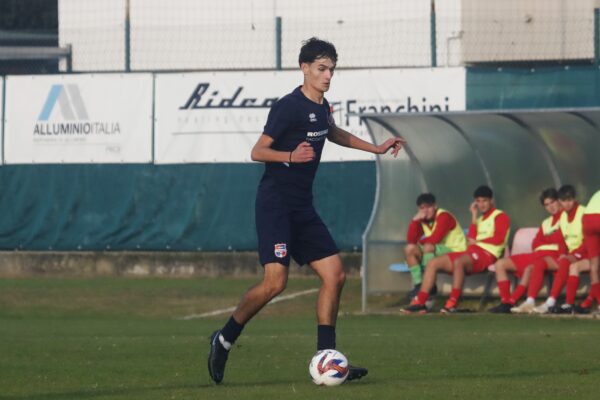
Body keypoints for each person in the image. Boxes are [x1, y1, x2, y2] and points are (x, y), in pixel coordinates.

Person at [207, 37, 405, 384]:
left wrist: (375, 147)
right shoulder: (288, 106)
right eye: (321, 69)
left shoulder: (322, 106)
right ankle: (224, 338)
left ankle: (326, 357)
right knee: (275, 282)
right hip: (275, 206)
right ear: (304, 68)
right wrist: (289, 156)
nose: (328, 75)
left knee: (335, 275)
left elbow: (332, 132)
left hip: (302, 207)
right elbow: (258, 151)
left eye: (331, 69)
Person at [401, 185, 510, 314]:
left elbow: (499, 239)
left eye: (484, 200)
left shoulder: (500, 216)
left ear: (491, 201)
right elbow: (471, 238)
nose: (481, 204)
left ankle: (452, 303)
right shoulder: (479, 220)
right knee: (432, 263)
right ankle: (421, 301)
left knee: (459, 260)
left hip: (487, 254)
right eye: (478, 201)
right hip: (471, 252)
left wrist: (478, 242)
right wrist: (474, 215)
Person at [488, 188, 565, 313]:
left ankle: (512, 302)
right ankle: (505, 301)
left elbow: (561, 238)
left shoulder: (566, 218)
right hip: (537, 254)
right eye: (547, 205)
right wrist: (549, 239)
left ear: (559, 201)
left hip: (554, 255)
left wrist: (546, 239)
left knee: (531, 267)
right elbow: (535, 242)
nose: (550, 207)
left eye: (552, 202)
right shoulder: (546, 222)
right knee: (500, 264)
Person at [530, 185, 587, 314]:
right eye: (563, 200)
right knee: (556, 261)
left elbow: (589, 240)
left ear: (574, 199)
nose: (566, 204)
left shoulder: (583, 212)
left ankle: (551, 301)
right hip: (571, 254)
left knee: (565, 262)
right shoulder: (562, 217)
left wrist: (574, 254)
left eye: (569, 200)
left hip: (586, 252)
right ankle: (529, 301)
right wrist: (562, 253)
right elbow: (561, 240)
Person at [404, 193, 467, 298]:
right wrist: (414, 221)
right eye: (422, 208)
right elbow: (411, 240)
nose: (425, 211)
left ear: (435, 206)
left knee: (428, 247)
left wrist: (420, 244)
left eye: (428, 207)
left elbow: (435, 239)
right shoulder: (423, 219)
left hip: (456, 251)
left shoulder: (444, 216)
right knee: (409, 249)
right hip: (437, 251)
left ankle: (430, 285)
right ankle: (419, 285)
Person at [556, 189, 600, 314]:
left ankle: (590, 302)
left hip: (587, 221)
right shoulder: (564, 216)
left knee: (594, 267)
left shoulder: (596, 193)